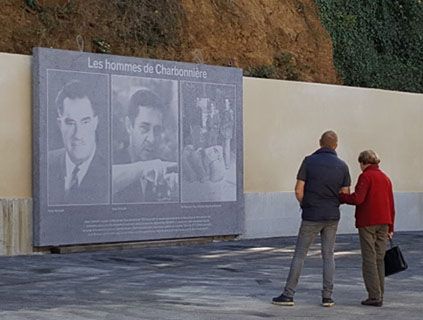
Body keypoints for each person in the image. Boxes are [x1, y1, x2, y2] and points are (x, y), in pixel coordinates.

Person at [272, 130, 351, 307]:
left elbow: (298, 190)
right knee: (328, 255)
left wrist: (305, 204)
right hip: (332, 216)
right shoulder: (343, 166)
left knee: (300, 255)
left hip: (311, 215)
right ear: (336, 145)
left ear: (319, 142)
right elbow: (345, 193)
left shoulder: (308, 161)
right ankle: (327, 297)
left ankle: (288, 295)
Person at [339, 150, 395, 307]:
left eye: (360, 164)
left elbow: (358, 198)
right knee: (379, 258)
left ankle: (374, 295)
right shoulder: (385, 178)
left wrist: (341, 197)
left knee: (369, 259)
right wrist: (391, 226)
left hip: (368, 222)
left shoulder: (366, 176)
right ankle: (379, 293)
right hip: (384, 222)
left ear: (364, 162)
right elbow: (391, 204)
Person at [48, 80, 109, 205]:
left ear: (95, 122)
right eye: (70, 123)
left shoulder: (110, 168)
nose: (78, 134)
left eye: (85, 122)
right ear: (60, 124)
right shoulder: (45, 163)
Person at [112, 88, 178, 203]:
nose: (152, 139)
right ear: (129, 126)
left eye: (157, 130)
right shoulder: (112, 163)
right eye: (144, 128)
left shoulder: (167, 168)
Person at [220, 98, 234, 169]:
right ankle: (223, 164)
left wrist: (225, 126)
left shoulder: (230, 111)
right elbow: (222, 120)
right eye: (225, 102)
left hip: (228, 132)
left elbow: (232, 122)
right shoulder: (223, 111)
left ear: (229, 103)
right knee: (223, 148)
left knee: (227, 149)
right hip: (223, 132)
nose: (225, 103)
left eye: (227, 102)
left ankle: (227, 165)